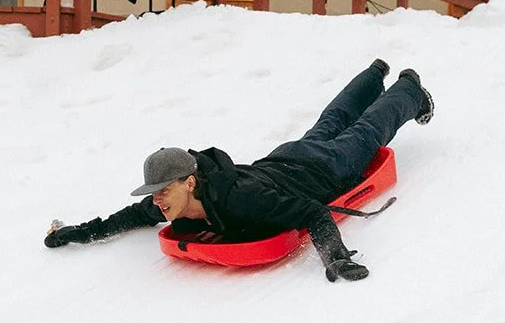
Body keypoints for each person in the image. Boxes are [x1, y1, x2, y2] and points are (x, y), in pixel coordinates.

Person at [43, 60, 433, 282]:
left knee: (365, 131)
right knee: (331, 120)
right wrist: (80, 232)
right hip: (287, 157)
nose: (156, 199)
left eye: (162, 189)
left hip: (323, 171)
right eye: (153, 192)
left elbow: (312, 212)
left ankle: (410, 88)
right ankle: (373, 74)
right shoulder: (174, 203)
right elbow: (129, 216)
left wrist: (335, 257)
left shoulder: (243, 200)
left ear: (190, 182)